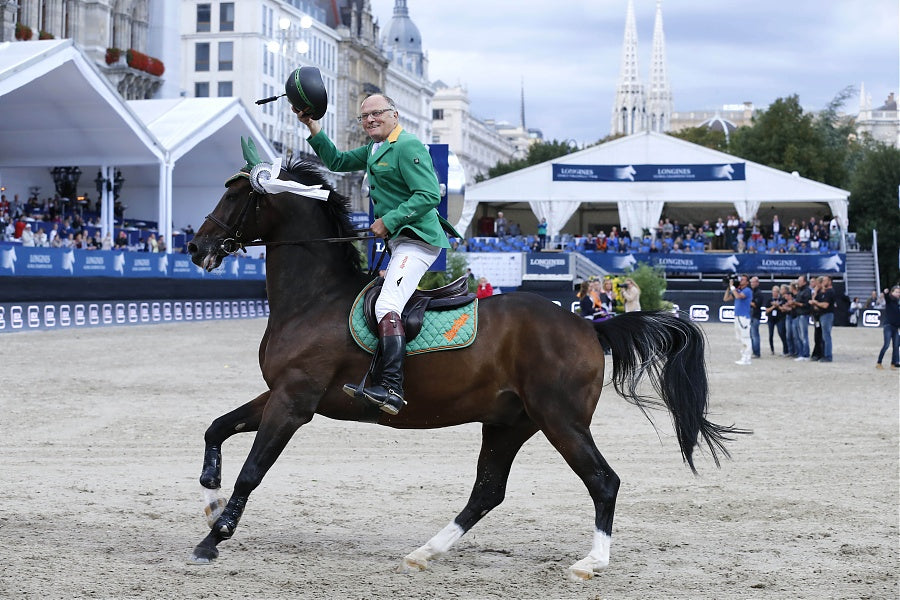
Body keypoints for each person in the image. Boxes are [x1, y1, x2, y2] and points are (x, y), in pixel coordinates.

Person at [297, 92, 461, 416]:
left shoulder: (407, 145)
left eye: (377, 114)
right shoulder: (375, 148)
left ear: (394, 115)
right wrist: (312, 126)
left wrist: (389, 220)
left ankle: (392, 389)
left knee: (387, 305)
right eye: (365, 117)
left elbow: (429, 194)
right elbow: (337, 162)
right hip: (402, 243)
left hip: (419, 240)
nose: (370, 120)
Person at [724, 274, 753, 365]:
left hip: (743, 317)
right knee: (740, 337)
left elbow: (738, 296)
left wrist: (733, 287)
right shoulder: (738, 290)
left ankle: (747, 358)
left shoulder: (747, 290)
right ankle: (743, 356)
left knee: (745, 337)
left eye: (743, 280)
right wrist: (729, 288)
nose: (741, 281)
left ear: (747, 282)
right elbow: (726, 298)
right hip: (737, 316)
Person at [810, 276, 835, 362]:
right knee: (823, 336)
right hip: (822, 315)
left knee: (826, 336)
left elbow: (825, 305)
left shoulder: (830, 292)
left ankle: (828, 356)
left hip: (827, 315)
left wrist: (816, 303)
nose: (823, 282)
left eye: (825, 280)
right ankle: (823, 354)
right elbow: (816, 304)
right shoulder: (823, 292)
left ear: (829, 282)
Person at [876, 286, 900, 370]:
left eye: (899, 292)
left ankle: (893, 363)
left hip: (895, 327)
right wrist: (886, 293)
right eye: (896, 292)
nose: (898, 293)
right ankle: (879, 362)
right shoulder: (890, 300)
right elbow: (887, 298)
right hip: (888, 326)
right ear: (892, 292)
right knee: (886, 345)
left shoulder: (897, 302)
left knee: (896, 346)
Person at [791, 275, 812, 361]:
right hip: (798, 314)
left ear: (804, 282)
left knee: (803, 335)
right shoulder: (800, 291)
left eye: (799, 281)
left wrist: (796, 303)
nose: (798, 282)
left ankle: (806, 354)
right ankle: (800, 353)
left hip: (804, 314)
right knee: (798, 335)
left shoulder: (807, 291)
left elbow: (806, 304)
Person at [764, 285, 788, 356]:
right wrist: (773, 306)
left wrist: (778, 306)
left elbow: (783, 309)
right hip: (771, 319)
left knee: (781, 333)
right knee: (770, 334)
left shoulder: (782, 300)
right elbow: (767, 311)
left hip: (779, 318)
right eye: (773, 292)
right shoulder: (769, 300)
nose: (774, 293)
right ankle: (772, 349)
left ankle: (785, 349)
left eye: (776, 292)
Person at [749, 276, 763, 358]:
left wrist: (747, 300)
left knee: (755, 334)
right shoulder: (752, 292)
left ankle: (757, 352)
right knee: (751, 334)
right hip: (751, 315)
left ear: (757, 283)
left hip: (755, 316)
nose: (752, 284)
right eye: (751, 282)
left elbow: (756, 305)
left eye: (753, 282)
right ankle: (754, 351)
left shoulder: (758, 293)